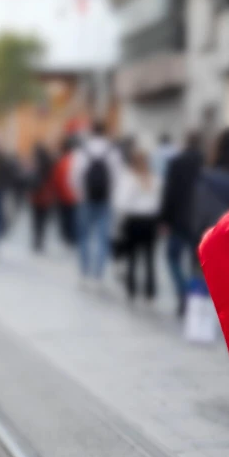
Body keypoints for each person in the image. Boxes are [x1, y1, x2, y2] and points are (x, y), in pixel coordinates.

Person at [159, 132, 204, 316]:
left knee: (172, 257)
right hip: (200, 220)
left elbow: (169, 193)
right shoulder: (207, 163)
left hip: (178, 220)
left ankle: (183, 289)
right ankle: (194, 296)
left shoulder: (176, 163)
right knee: (197, 262)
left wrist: (164, 219)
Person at [70, 121, 121, 284]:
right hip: (105, 199)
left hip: (85, 198)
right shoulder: (113, 151)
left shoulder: (82, 151)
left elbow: (74, 176)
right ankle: (98, 274)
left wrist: (79, 193)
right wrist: (111, 194)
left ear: (91, 131)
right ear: (104, 132)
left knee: (84, 236)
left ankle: (84, 271)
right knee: (102, 237)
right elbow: (116, 177)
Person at [115, 149, 162, 302]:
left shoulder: (129, 178)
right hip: (150, 220)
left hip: (134, 220)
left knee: (132, 256)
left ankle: (132, 287)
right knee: (149, 257)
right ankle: (150, 289)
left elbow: (122, 202)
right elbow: (159, 201)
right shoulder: (155, 179)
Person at [51, 136, 80, 247]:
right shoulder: (76, 160)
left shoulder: (62, 161)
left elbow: (57, 178)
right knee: (73, 217)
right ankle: (73, 237)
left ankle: (67, 237)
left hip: (63, 195)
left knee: (65, 217)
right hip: (75, 196)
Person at [27, 142, 56, 253]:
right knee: (43, 220)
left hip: (36, 195)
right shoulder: (49, 163)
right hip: (46, 194)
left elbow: (29, 178)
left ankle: (36, 239)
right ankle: (40, 240)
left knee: (36, 219)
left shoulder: (36, 164)